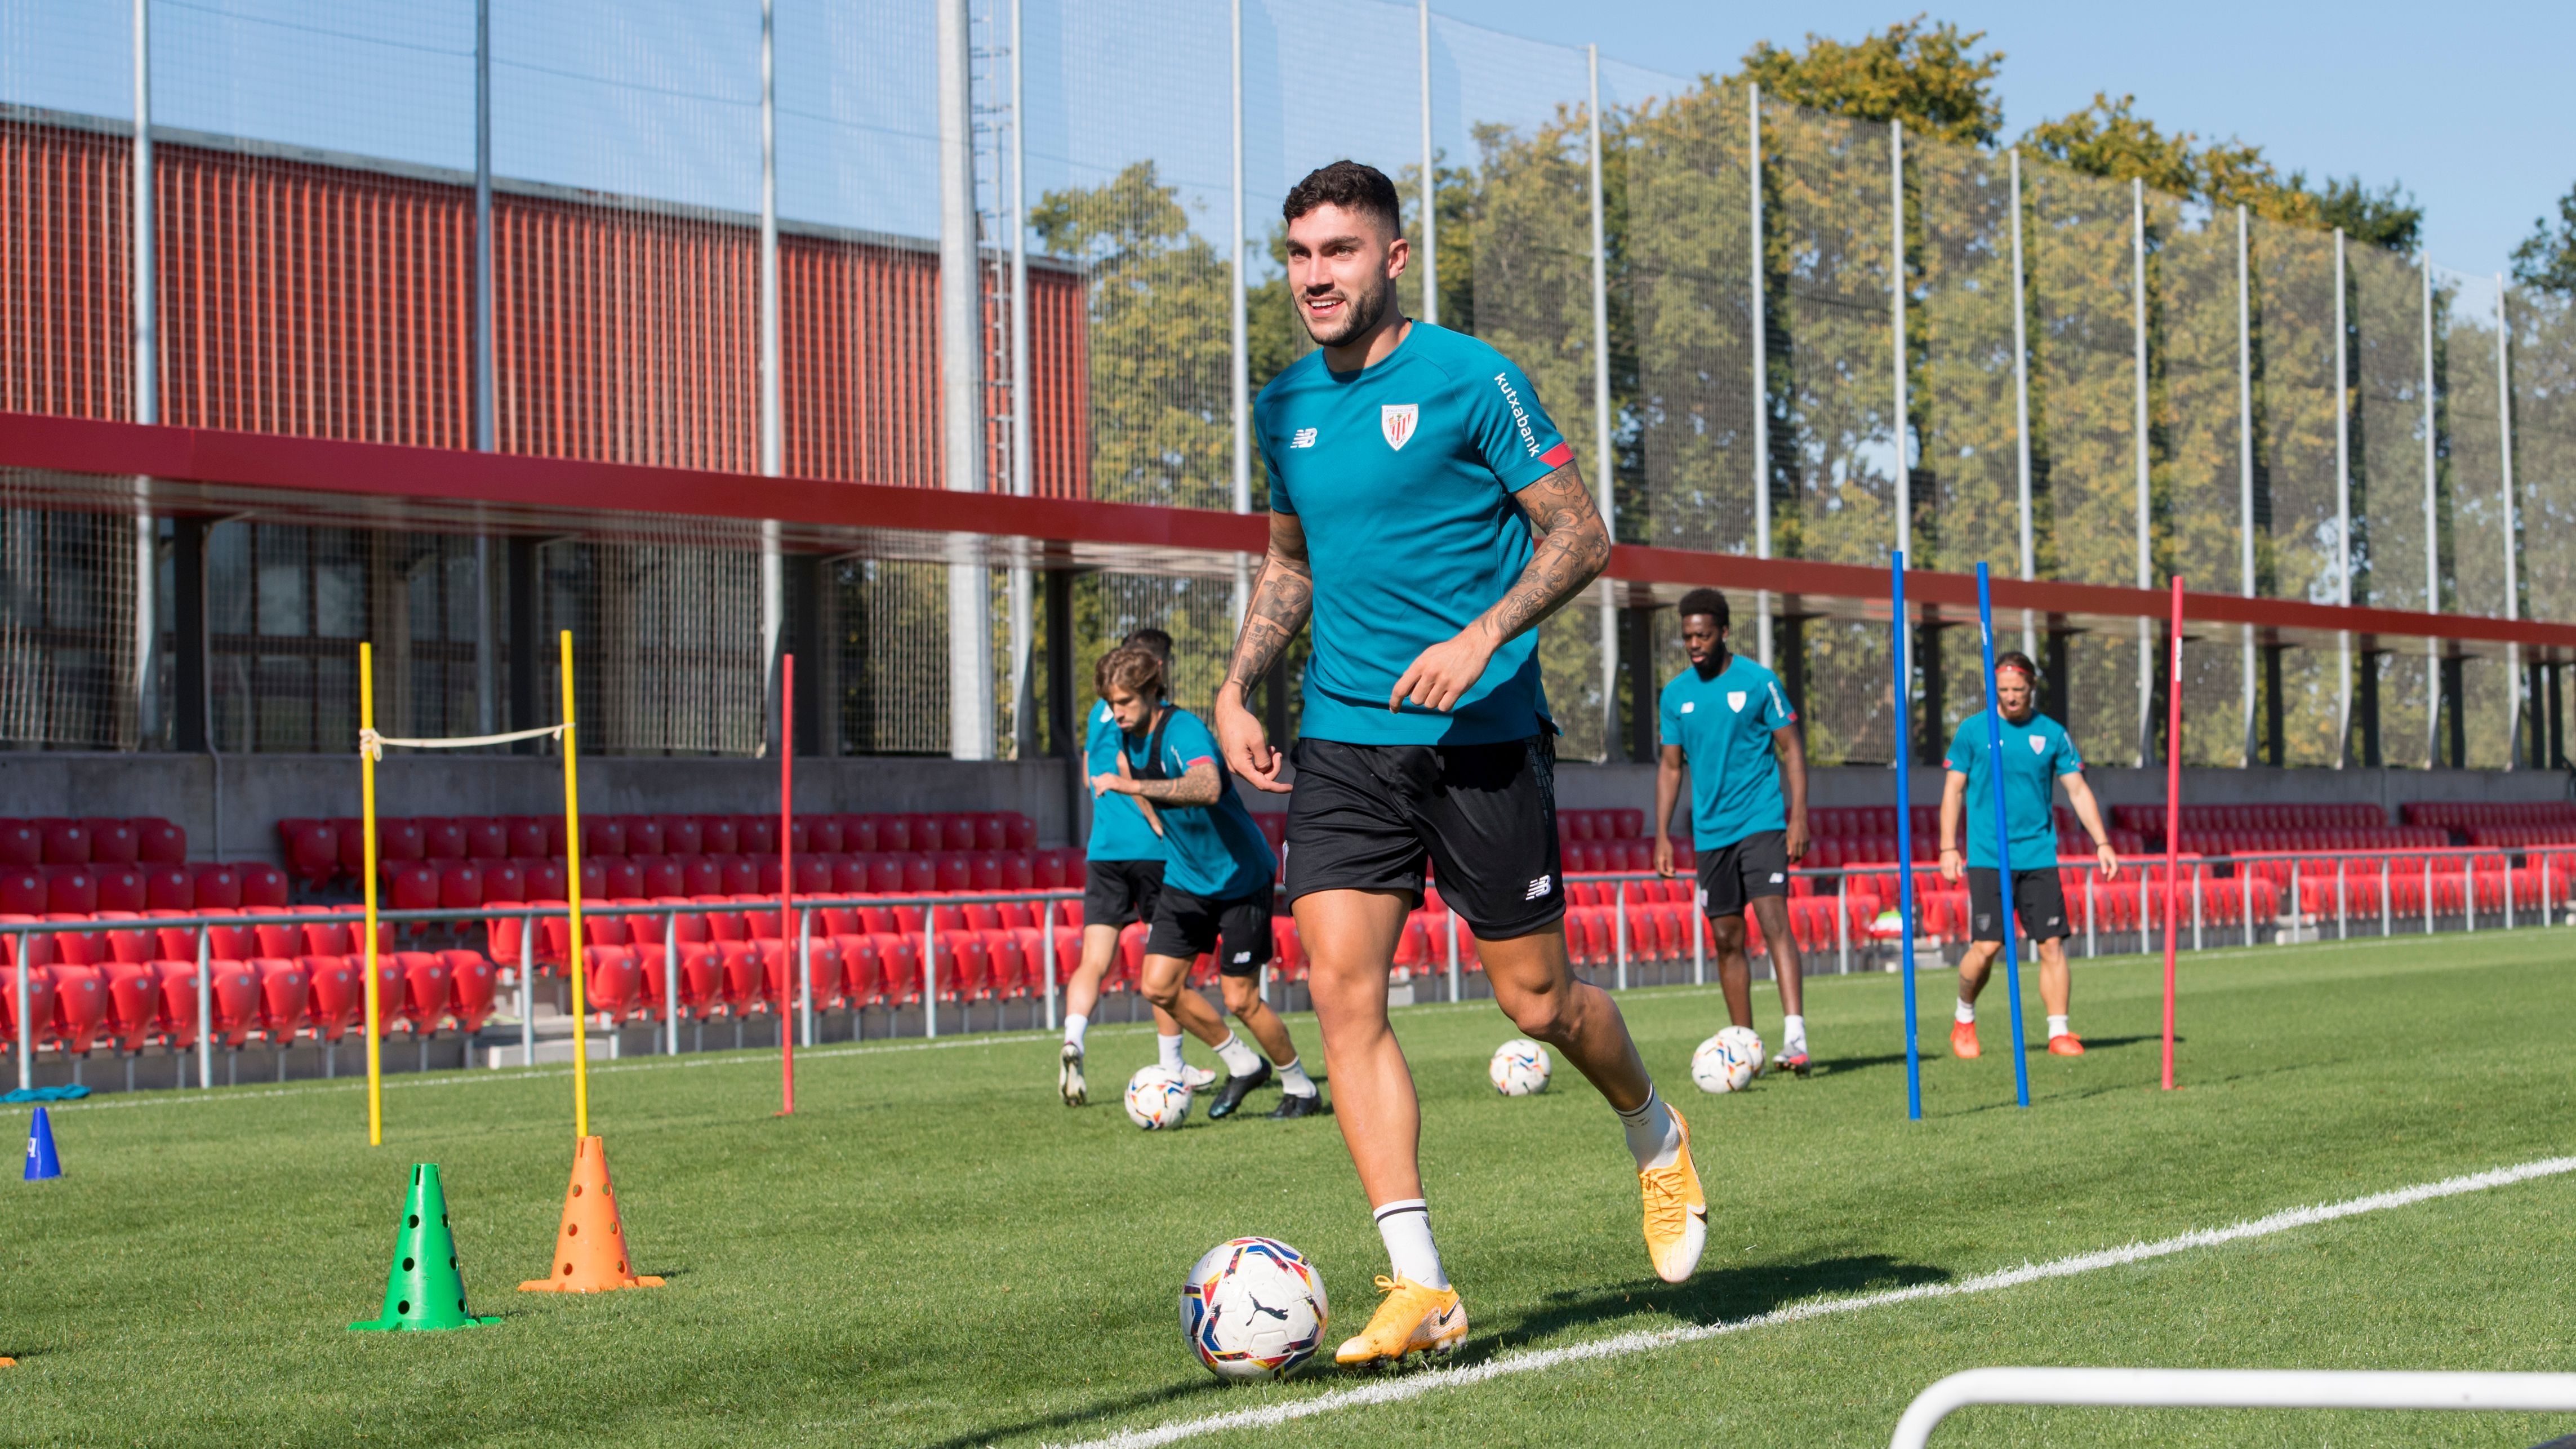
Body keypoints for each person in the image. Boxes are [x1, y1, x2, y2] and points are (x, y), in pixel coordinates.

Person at [1211, 159, 1705, 1369]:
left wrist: (1483, 632)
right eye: (1298, 254)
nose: (1314, 275)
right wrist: (1235, 686)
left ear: (1393, 257)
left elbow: (1582, 531)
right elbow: (1291, 561)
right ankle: (1420, 1280)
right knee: (1341, 994)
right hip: (1343, 740)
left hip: (1482, 738)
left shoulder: (1475, 380)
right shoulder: (1284, 405)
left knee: (1538, 1001)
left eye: (1338, 251)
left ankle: (1652, 1125)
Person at [1090, 644, 1322, 1120]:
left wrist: (1131, 788)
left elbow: (1207, 787)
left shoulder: (1183, 730)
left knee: (1240, 998)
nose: (1116, 714)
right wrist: (1153, 820)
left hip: (1240, 878)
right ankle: (1241, 1062)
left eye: (1124, 703)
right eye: (1111, 704)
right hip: (1185, 879)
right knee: (1158, 987)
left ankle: (1301, 1088)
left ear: (1151, 692)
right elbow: (1135, 779)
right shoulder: (1125, 738)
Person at [1650, 588, 1814, 1074]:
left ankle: (1795, 1040)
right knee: (1725, 937)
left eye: (1702, 635)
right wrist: (1661, 834)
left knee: (1773, 924)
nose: (1694, 644)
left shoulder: (1759, 682)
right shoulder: (1675, 694)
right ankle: (1745, 1045)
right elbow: (1670, 768)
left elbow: (1794, 751)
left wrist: (1798, 815)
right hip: (1710, 834)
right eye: (1687, 637)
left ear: (1723, 632)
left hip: (1761, 822)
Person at [1937, 651, 2120, 1058]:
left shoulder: (2052, 734)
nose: (2011, 697)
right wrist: (1948, 847)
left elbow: (2077, 790)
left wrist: (2102, 841)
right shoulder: (1972, 731)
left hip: (2038, 854)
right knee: (1986, 947)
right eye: (2003, 690)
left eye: (2018, 690)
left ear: (2031, 688)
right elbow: (1953, 790)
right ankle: (1963, 1018)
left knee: (2051, 944)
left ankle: (2059, 1032)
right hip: (1987, 856)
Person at [1058, 630, 1209, 1105]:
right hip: (1151, 848)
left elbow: (1089, 774)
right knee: (1162, 958)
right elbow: (1137, 779)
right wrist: (1159, 826)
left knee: (1094, 960)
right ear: (1157, 669)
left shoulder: (1097, 711)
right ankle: (1172, 1065)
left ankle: (1073, 1040)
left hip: (1103, 849)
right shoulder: (1151, 718)